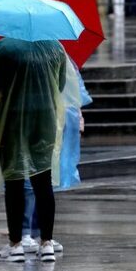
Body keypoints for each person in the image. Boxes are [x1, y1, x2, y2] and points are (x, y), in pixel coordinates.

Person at [0, 38, 80, 263]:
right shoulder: (55, 47)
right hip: (45, 120)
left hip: (12, 119)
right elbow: (59, 85)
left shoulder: (5, 48)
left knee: (14, 180)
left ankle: (16, 244)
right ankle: (47, 243)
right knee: (43, 180)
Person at [20, 58, 92, 254]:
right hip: (35, 119)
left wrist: (76, 114)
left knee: (40, 180)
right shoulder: (23, 53)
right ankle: (29, 233)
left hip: (49, 120)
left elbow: (71, 89)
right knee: (32, 180)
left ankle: (37, 233)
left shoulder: (58, 55)